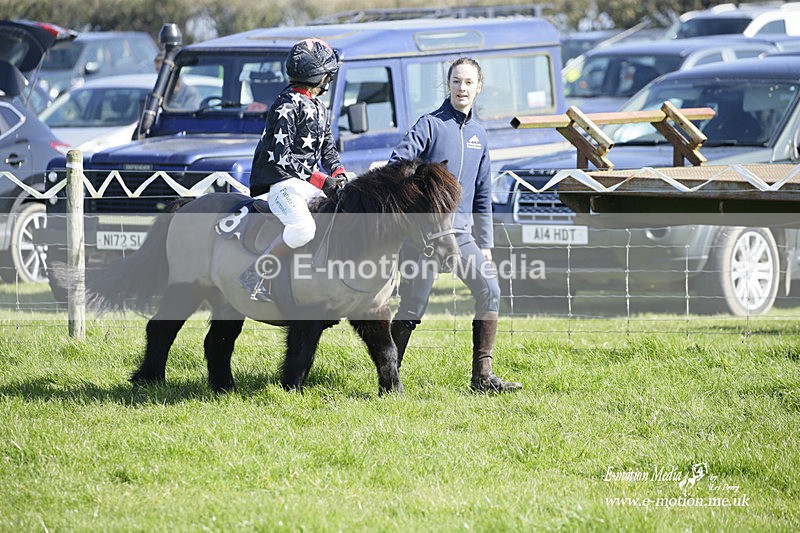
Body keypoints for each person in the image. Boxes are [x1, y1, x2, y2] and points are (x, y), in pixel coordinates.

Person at [389, 57, 521, 392]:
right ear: (448, 85)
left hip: (461, 235)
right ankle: (388, 377)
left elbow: (484, 193)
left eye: (468, 82)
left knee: (490, 289)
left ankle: (483, 378)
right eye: (456, 81)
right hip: (424, 237)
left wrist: (487, 244)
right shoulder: (429, 125)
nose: (462, 88)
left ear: (479, 86)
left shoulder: (479, 134)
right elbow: (397, 166)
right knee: (412, 307)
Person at [240, 38, 348, 302]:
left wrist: (340, 175)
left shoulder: (319, 108)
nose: (328, 82)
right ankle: (255, 273)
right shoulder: (285, 104)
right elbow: (282, 158)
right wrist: (322, 181)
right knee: (303, 229)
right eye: (328, 76)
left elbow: (328, 151)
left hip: (307, 184)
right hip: (281, 185)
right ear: (320, 75)